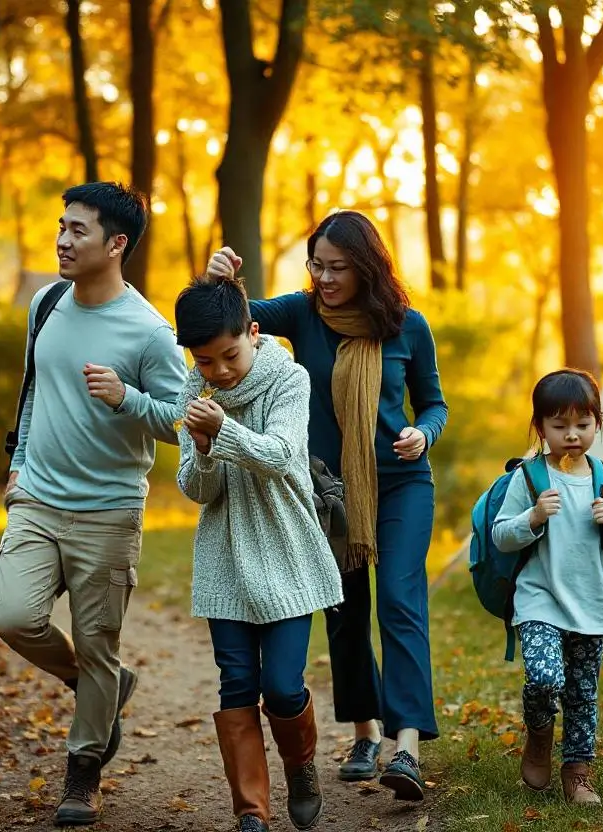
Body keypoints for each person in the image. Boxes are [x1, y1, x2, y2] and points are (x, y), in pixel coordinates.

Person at [205, 210, 448, 801]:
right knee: (343, 611)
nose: (326, 276)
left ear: (366, 267)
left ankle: (406, 748)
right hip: (327, 491)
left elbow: (433, 403)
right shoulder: (302, 314)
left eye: (338, 267)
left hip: (402, 484)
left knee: (399, 600)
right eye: (317, 264)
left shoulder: (407, 327)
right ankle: (365, 732)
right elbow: (232, 325)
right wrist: (218, 280)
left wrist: (425, 434)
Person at [0, 182, 187, 827]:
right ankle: (94, 689)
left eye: (79, 230)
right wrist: (17, 464)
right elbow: (29, 389)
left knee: (99, 644)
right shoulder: (46, 304)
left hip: (108, 512)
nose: (63, 239)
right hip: (38, 500)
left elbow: (181, 422)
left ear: (116, 244)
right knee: (16, 618)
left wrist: (125, 398)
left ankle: (83, 773)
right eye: (61, 226)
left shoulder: (151, 333)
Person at [174, 273, 343, 832]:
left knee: (283, 686)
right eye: (205, 362)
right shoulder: (195, 394)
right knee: (237, 685)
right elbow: (198, 490)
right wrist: (202, 451)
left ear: (252, 331)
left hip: (287, 551)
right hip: (225, 558)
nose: (219, 372)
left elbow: (280, 455)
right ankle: (251, 813)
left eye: (229, 355)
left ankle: (300, 765)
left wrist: (224, 432)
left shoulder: (288, 381)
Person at [490, 369, 603, 805]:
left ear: (598, 422)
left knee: (582, 694)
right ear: (540, 428)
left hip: (592, 605)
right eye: (559, 426)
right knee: (543, 678)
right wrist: (533, 518)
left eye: (583, 424)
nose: (572, 435)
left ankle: (578, 771)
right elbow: (503, 535)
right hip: (541, 601)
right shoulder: (530, 477)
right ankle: (539, 734)